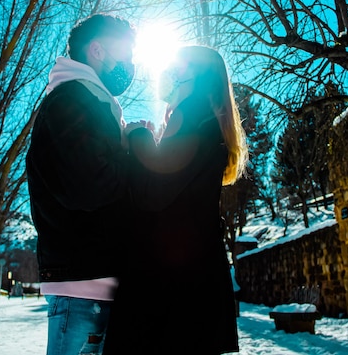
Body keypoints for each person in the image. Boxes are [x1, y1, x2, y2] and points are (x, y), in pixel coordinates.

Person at [103, 45, 248, 355]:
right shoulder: (210, 122)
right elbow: (174, 181)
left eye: (178, 68)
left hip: (168, 280)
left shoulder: (191, 113)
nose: (169, 74)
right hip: (198, 276)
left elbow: (152, 193)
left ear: (196, 76)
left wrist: (138, 135)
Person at [25, 13, 136, 355]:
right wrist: (135, 154)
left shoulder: (90, 101)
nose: (130, 64)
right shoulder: (71, 100)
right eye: (126, 53)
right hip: (84, 284)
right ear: (98, 51)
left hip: (93, 279)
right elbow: (88, 185)